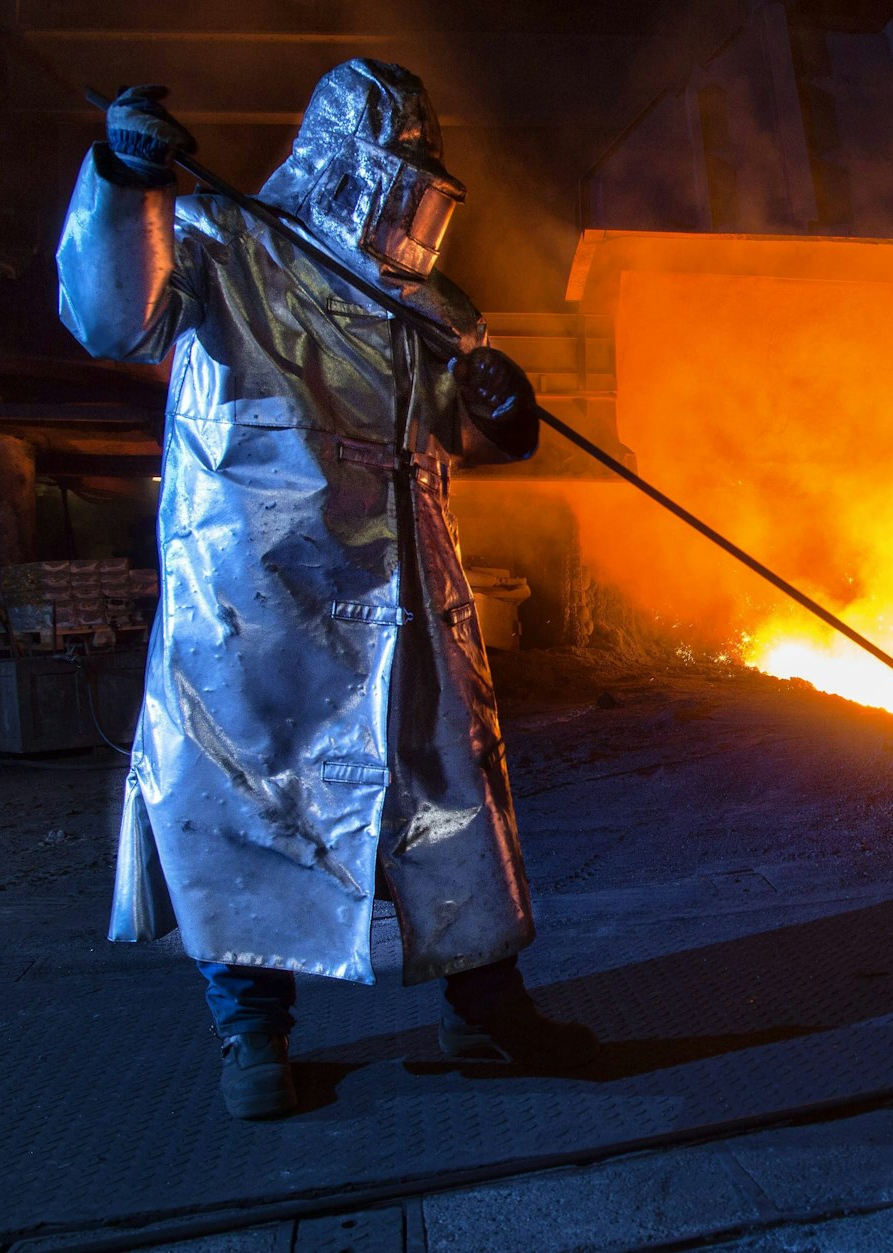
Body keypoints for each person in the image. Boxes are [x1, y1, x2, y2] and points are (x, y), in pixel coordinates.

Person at [56, 60, 595, 1120]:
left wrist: (499, 406)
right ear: (349, 166)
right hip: (256, 591)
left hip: (404, 596)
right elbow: (111, 316)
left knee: (447, 799)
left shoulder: (426, 305)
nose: (417, 201)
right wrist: (126, 181)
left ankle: (483, 1007)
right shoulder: (223, 245)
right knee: (245, 800)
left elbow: (460, 432)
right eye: (402, 173)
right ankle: (251, 1032)